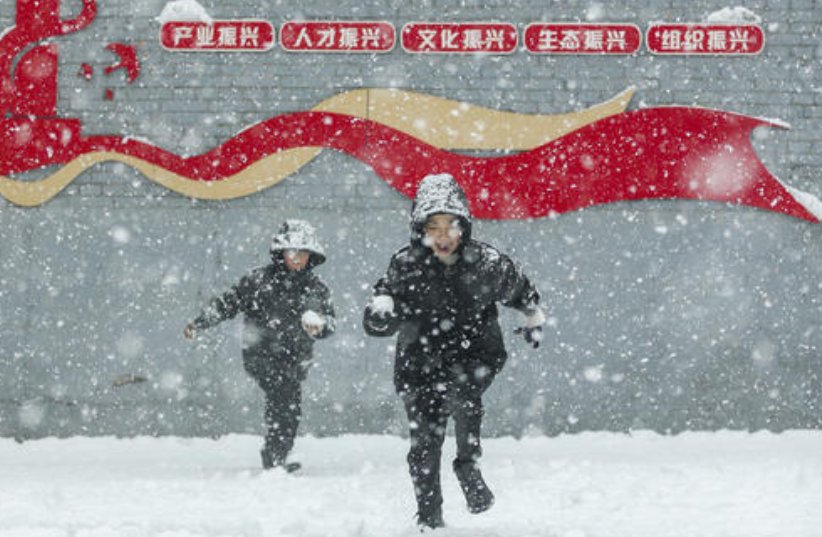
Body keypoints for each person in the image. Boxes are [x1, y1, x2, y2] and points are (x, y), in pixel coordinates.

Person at [363, 173, 545, 529]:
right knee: (424, 445)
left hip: (474, 355)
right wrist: (380, 316)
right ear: (420, 229)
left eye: (451, 225)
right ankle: (429, 519)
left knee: (464, 396)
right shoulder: (405, 265)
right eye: (433, 226)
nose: (443, 235)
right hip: (420, 363)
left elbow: (521, 289)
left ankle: (468, 466)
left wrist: (533, 315)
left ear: (464, 226)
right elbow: (379, 312)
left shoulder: (488, 263)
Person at [184, 219, 335, 472]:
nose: (298, 259)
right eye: (292, 252)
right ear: (281, 254)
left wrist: (320, 326)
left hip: (296, 357)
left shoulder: (316, 289)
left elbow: (330, 322)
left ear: (312, 256)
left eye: (303, 253)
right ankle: (275, 458)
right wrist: (199, 323)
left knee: (289, 406)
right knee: (284, 400)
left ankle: (278, 455)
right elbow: (227, 304)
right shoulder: (258, 281)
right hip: (261, 354)